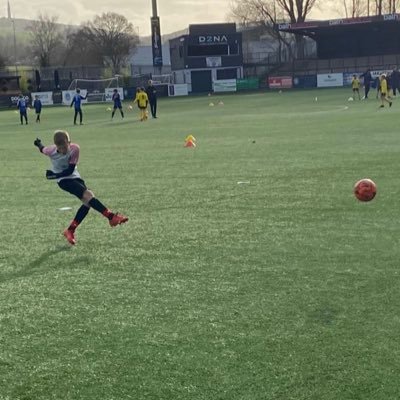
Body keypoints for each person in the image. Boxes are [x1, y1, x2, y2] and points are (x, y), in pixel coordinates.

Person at [33, 130, 128, 245]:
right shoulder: (51, 150)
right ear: (56, 146)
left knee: (88, 202)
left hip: (74, 176)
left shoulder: (75, 149)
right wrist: (38, 144)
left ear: (69, 142)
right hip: (63, 181)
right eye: (60, 148)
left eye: (65, 147)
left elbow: (70, 170)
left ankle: (70, 230)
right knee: (88, 196)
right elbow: (43, 149)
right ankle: (111, 217)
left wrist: (55, 174)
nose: (63, 151)